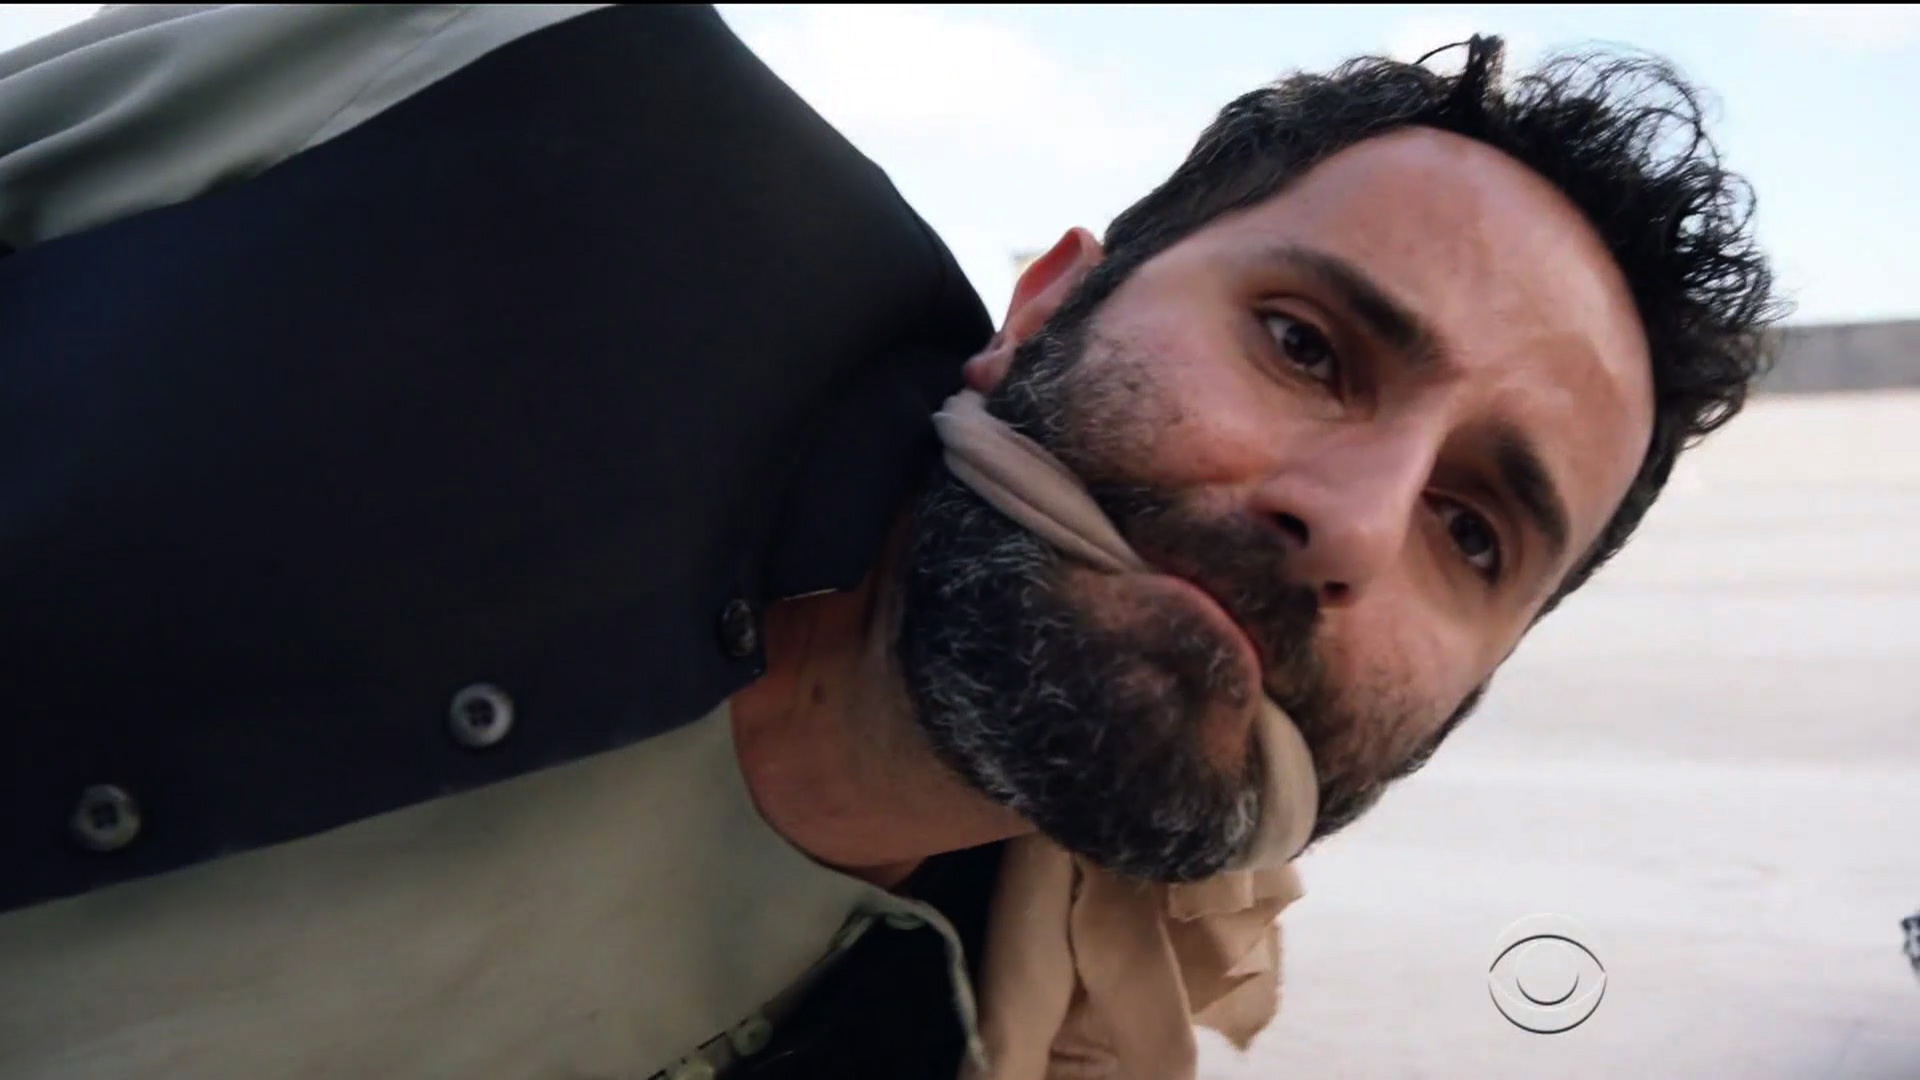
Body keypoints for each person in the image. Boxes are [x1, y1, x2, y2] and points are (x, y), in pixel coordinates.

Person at [0, 5, 1780, 1079]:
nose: (1356, 524)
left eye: (1474, 532)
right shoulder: (504, 86)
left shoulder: (1029, 1028)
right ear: (1046, 303)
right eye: (1306, 348)